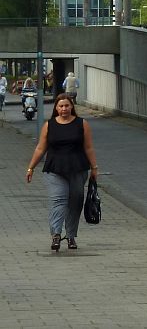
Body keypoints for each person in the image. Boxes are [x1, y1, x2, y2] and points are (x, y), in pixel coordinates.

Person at [25, 94, 99, 251]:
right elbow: (40, 148)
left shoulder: (82, 124)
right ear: (56, 108)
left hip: (78, 168)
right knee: (58, 200)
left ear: (72, 106)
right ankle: (56, 235)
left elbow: (89, 147)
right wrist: (31, 167)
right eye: (60, 106)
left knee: (76, 201)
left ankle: (71, 236)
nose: (64, 109)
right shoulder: (49, 125)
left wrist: (94, 167)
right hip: (55, 169)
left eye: (66, 105)